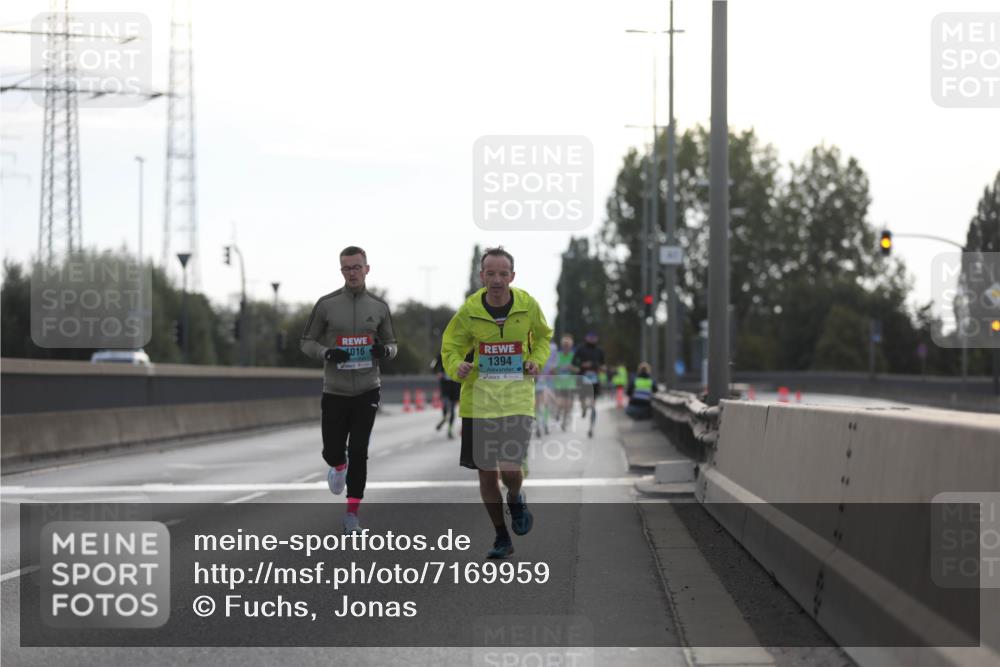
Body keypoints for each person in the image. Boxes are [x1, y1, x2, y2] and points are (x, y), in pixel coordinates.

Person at [441, 246, 553, 559]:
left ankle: (516, 496)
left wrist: (535, 360)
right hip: (479, 402)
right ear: (482, 277)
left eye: (503, 274)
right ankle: (501, 536)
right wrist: (456, 366)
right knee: (487, 475)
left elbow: (544, 337)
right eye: (490, 273)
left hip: (517, 398)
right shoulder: (469, 311)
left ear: (512, 277)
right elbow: (450, 347)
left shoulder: (528, 305)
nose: (497, 280)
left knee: (510, 470)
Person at [300, 246, 398, 534]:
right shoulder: (326, 304)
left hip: (368, 388)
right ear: (341, 271)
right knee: (333, 450)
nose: (352, 273)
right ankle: (337, 466)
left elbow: (393, 344)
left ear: (367, 269)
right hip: (335, 390)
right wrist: (327, 353)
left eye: (357, 267)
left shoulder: (379, 307)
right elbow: (306, 341)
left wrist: (385, 351)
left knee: (358, 450)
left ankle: (352, 514)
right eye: (346, 268)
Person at [572, 331, 606, 438]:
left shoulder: (600, 350)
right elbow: (573, 363)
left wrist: (601, 368)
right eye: (590, 337)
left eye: (594, 337)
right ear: (586, 338)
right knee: (583, 401)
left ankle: (591, 428)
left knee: (593, 405)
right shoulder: (580, 349)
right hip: (583, 378)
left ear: (596, 338)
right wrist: (581, 366)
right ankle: (583, 408)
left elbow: (604, 365)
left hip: (595, 380)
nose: (592, 339)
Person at [432, 353, 461, 438]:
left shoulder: (460, 352)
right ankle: (444, 418)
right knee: (445, 404)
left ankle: (450, 429)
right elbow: (433, 366)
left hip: (455, 386)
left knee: (452, 409)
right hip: (445, 385)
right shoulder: (441, 354)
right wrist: (438, 373)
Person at [552, 335, 577, 431]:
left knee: (568, 405)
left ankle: (564, 423)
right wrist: (555, 370)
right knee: (560, 404)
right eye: (564, 345)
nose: (566, 347)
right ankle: (558, 413)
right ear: (562, 346)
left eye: (568, 345)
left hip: (570, 384)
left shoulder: (573, 356)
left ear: (570, 346)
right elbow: (552, 369)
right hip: (559, 384)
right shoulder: (557, 355)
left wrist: (572, 368)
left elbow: (578, 369)